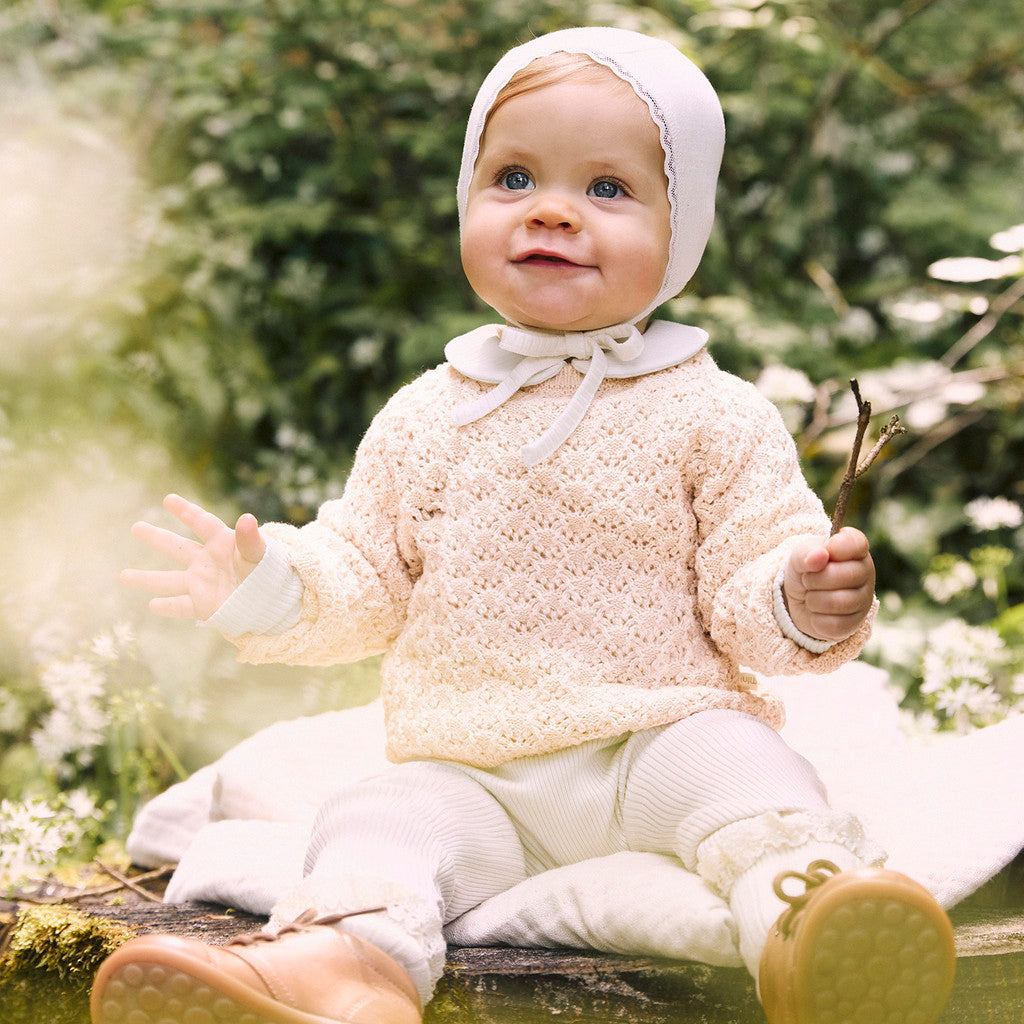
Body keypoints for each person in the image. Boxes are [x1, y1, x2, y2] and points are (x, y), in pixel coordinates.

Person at [92, 26, 956, 1024]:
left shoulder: (712, 412)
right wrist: (269, 585)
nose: (551, 208)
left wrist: (798, 594)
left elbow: (749, 585)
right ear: (467, 199)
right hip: (475, 768)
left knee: (751, 777)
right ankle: (349, 971)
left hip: (658, 738)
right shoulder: (428, 414)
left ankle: (815, 929)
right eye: (512, 176)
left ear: (684, 230)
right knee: (373, 819)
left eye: (606, 188)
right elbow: (365, 572)